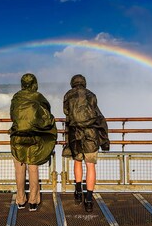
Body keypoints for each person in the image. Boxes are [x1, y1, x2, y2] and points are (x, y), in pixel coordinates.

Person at [9, 73, 57, 212]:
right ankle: (34, 201)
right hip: (34, 137)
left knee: (19, 170)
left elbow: (12, 116)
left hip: (17, 137)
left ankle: (20, 200)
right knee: (33, 168)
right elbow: (46, 115)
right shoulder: (38, 97)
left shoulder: (16, 97)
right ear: (35, 83)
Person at [63, 74, 110, 212]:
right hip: (91, 135)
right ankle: (88, 200)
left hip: (75, 134)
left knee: (77, 162)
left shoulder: (68, 95)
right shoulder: (92, 95)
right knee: (90, 166)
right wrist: (105, 140)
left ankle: (78, 192)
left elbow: (66, 112)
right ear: (84, 83)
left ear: (73, 83)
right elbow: (97, 115)